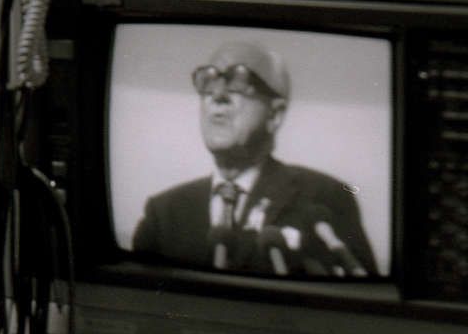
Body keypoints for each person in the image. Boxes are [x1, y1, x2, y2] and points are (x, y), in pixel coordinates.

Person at [130, 41, 380, 278]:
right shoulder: (163, 213)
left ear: (276, 114)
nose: (218, 95)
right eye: (208, 81)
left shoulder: (324, 198)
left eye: (238, 81)